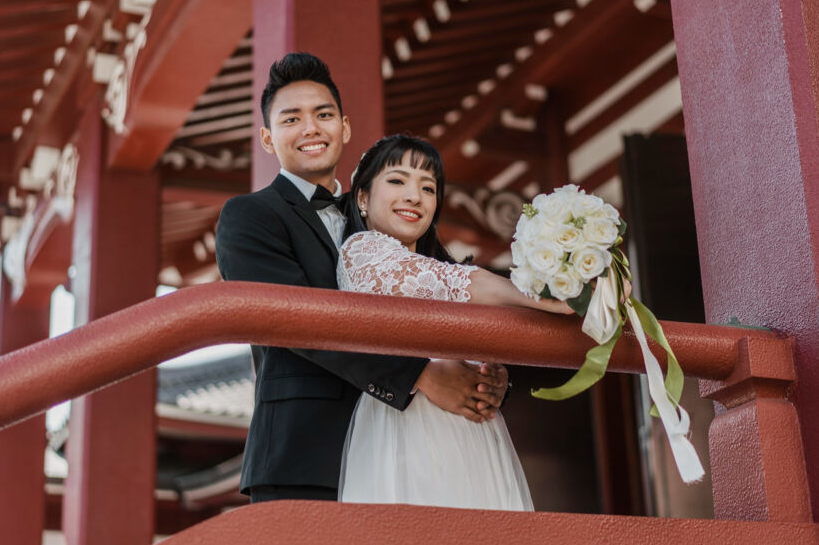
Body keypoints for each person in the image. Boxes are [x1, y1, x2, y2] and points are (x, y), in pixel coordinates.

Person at [214, 53, 508, 503]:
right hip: (306, 454)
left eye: (323, 115)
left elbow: (443, 282)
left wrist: (484, 372)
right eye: (292, 119)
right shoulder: (249, 216)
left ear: (345, 128)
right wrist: (420, 375)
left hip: (405, 450)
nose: (311, 128)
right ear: (268, 139)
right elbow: (293, 322)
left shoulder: (382, 204)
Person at [337, 134, 574, 510]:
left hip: (474, 431)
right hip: (409, 426)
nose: (414, 196)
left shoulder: (443, 268)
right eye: (397, 181)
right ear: (362, 198)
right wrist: (556, 294)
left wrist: (493, 376)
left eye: (427, 187)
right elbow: (466, 284)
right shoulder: (361, 251)